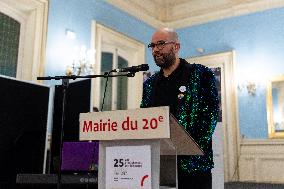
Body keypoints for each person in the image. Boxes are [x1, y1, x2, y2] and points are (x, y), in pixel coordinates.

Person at [140, 28, 219, 189]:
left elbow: (209, 117)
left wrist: (184, 144)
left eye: (161, 44)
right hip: (159, 162)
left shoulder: (200, 74)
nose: (155, 49)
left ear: (176, 47)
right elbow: (145, 118)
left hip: (192, 166)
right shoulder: (150, 84)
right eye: (152, 45)